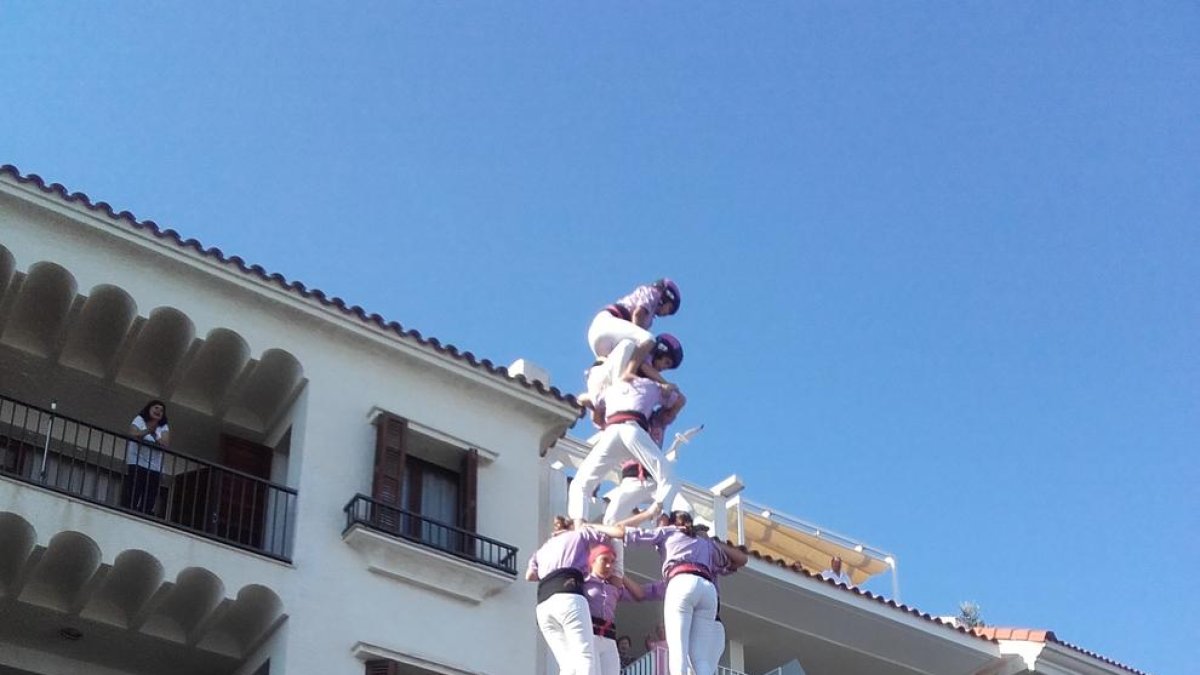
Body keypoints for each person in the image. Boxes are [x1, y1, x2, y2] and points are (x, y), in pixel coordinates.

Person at [568, 350, 686, 526]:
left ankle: (579, 526)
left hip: (613, 432)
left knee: (581, 483)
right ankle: (661, 514)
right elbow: (679, 400)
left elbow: (584, 400)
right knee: (668, 477)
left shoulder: (611, 389)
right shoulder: (651, 385)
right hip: (631, 430)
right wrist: (665, 384)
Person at [626, 510, 748, 675]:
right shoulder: (705, 545)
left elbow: (628, 533)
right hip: (707, 593)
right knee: (701, 660)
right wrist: (712, 541)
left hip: (681, 581)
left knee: (678, 651)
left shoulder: (668, 533)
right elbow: (741, 559)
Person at [525, 516, 625, 675]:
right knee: (585, 656)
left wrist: (553, 568)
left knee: (568, 665)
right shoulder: (580, 534)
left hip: (544, 605)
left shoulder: (542, 549)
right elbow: (618, 532)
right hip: (568, 596)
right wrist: (588, 525)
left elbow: (530, 575)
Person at [583, 280, 681, 406]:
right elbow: (638, 314)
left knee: (626, 352)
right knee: (648, 339)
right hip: (607, 324)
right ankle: (629, 373)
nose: (666, 313)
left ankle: (593, 397)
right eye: (669, 308)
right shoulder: (652, 293)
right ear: (667, 296)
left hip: (605, 339)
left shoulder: (650, 317)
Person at [583, 543, 657, 675]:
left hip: (609, 638)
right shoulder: (583, 582)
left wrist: (620, 575)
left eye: (612, 562)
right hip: (589, 635)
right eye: (604, 560)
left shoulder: (614, 588)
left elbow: (640, 593)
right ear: (592, 561)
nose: (608, 566)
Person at [123, 399, 170, 515]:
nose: (158, 411)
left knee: (150, 496)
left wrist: (154, 434)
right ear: (149, 408)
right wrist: (147, 431)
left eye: (161, 410)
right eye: (156, 408)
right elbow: (133, 434)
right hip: (137, 462)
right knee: (134, 491)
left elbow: (165, 444)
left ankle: (145, 514)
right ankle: (129, 512)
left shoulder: (163, 426)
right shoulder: (140, 420)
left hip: (154, 467)